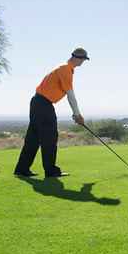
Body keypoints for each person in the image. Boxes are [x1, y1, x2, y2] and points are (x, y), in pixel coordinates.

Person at [14, 48, 89, 178]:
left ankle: (22, 169)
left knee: (33, 138)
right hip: (43, 104)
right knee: (49, 137)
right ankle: (51, 171)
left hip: (37, 103)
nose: (83, 62)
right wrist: (77, 114)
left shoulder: (64, 68)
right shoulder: (65, 69)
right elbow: (70, 94)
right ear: (78, 58)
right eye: (83, 60)